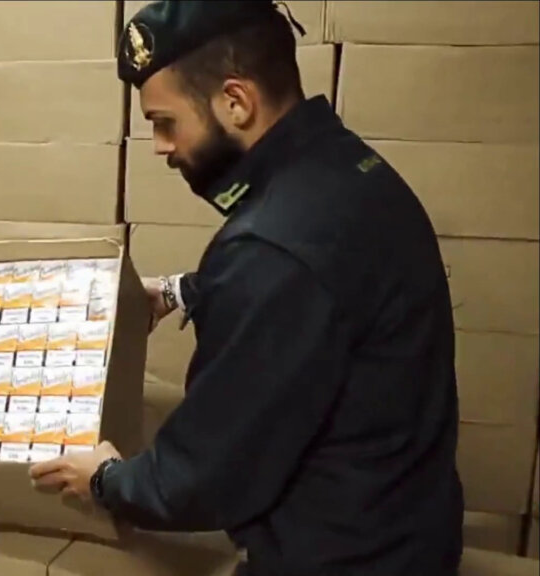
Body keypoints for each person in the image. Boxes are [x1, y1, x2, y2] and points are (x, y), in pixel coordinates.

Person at [29, 2, 464, 574]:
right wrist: (180, 292)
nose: (161, 146)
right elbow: (325, 289)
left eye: (165, 122)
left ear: (235, 102)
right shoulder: (346, 168)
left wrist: (107, 478)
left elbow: (201, 476)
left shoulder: (272, 250)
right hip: (406, 534)